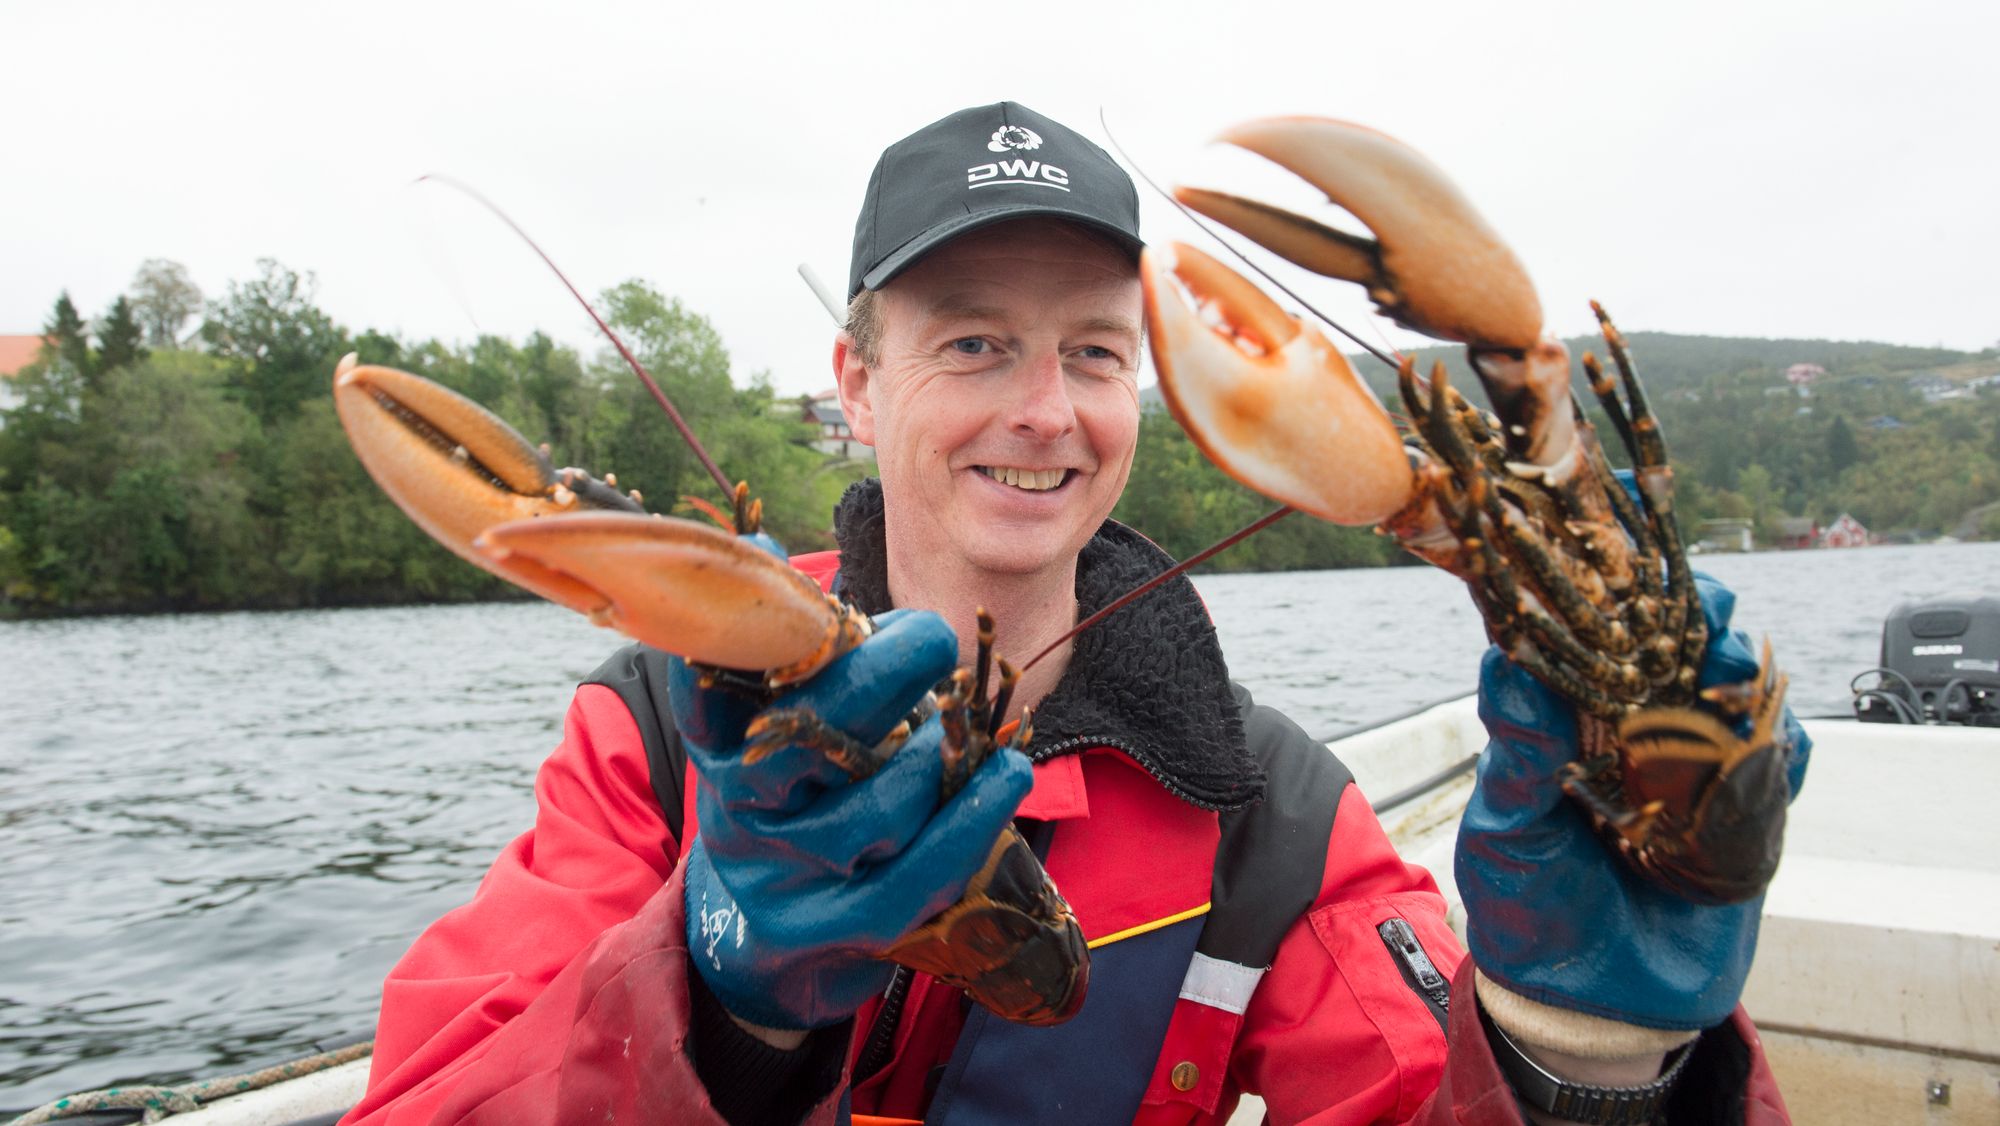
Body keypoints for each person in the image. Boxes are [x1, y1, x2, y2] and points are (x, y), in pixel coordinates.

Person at [341, 103, 1806, 1126]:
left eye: (1095, 351)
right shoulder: (661, 729)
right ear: (856, 385)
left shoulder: (1273, 811)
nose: (1042, 412)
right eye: (975, 341)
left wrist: (1587, 1060)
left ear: (1142, 393)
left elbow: (1413, 1090)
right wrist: (714, 996)